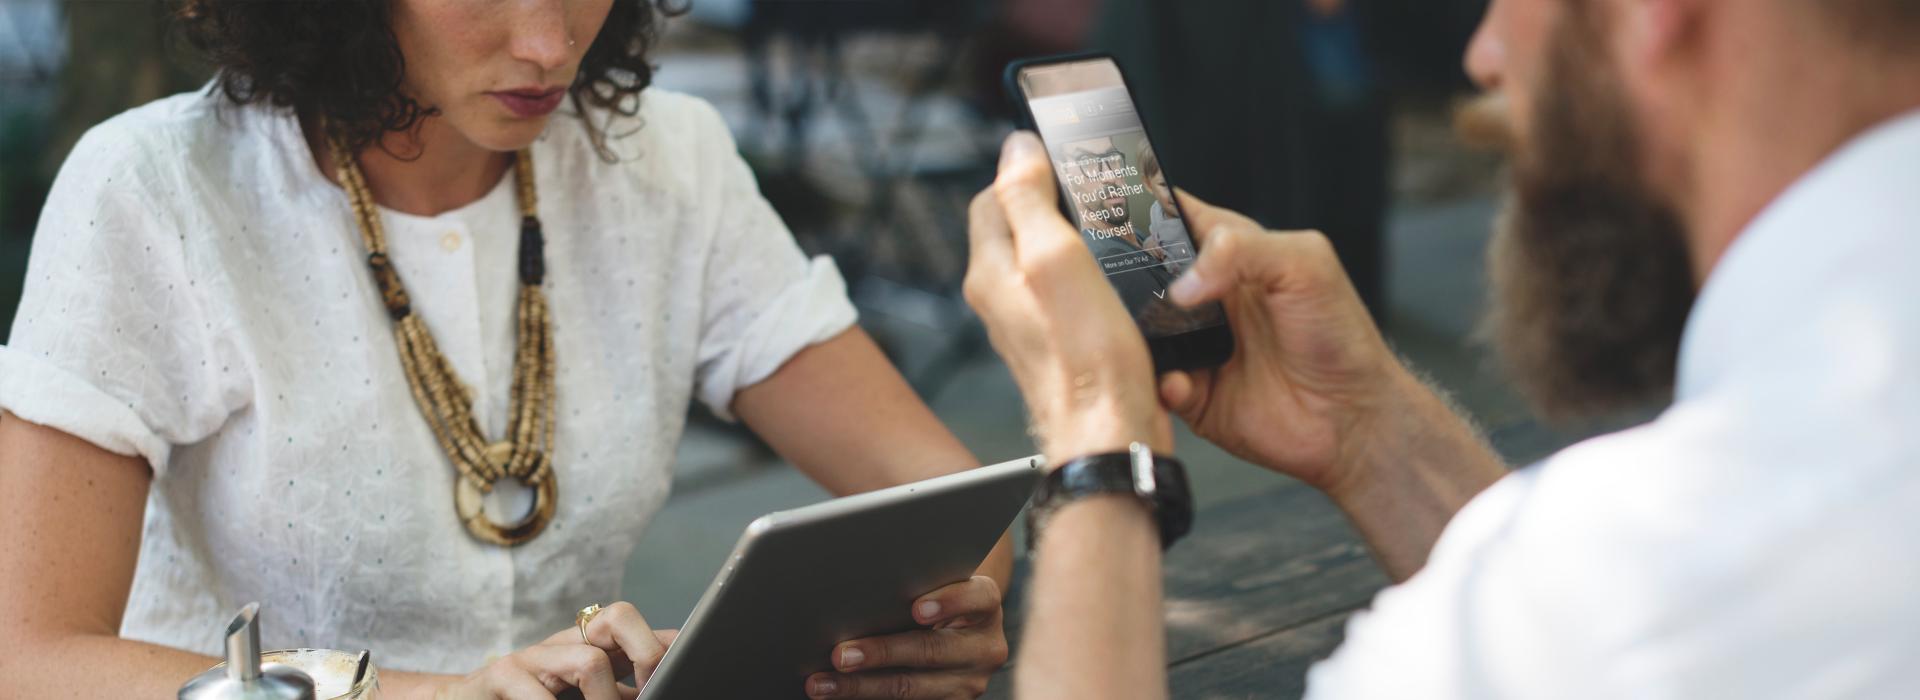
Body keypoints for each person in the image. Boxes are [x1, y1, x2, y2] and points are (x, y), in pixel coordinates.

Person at [0, 1, 1012, 698]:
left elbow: (948, 504)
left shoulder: (666, 161)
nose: (549, 42)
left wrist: (933, 616)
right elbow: (28, 659)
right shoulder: (157, 191)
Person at [965, 0, 1920, 696]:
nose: (1485, 53)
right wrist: (1367, 431)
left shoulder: (1666, 563)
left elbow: (1599, 616)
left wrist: (1098, 435)